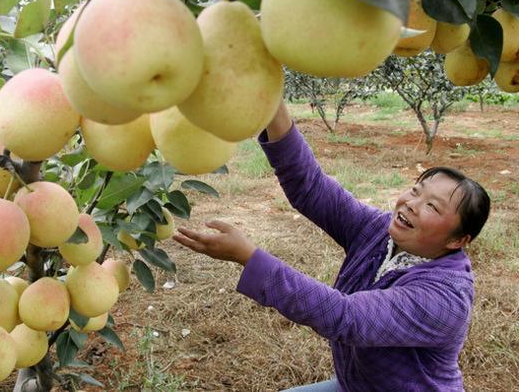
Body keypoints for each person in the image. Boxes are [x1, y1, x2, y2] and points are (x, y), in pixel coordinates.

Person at [172, 102, 491, 392]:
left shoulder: (445, 298)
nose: (411, 204)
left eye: (432, 207)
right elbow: (312, 188)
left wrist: (249, 257)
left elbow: (345, 317)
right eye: (415, 191)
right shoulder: (380, 233)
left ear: (458, 240)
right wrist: (271, 104)